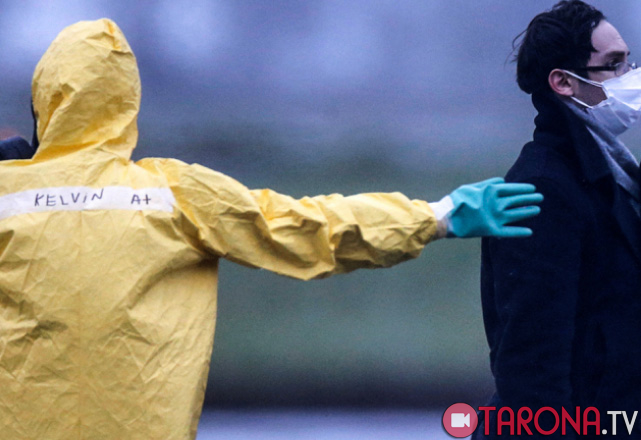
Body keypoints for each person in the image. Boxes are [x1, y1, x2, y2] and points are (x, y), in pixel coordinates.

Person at [0, 19, 541, 440]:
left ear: (44, 101)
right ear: (127, 104)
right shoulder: (175, 194)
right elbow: (308, 228)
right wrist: (437, 215)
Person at [476, 1, 641, 438]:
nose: (630, 78)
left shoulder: (612, 174)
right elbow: (531, 365)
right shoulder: (543, 190)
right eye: (613, 65)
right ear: (564, 82)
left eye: (629, 62)